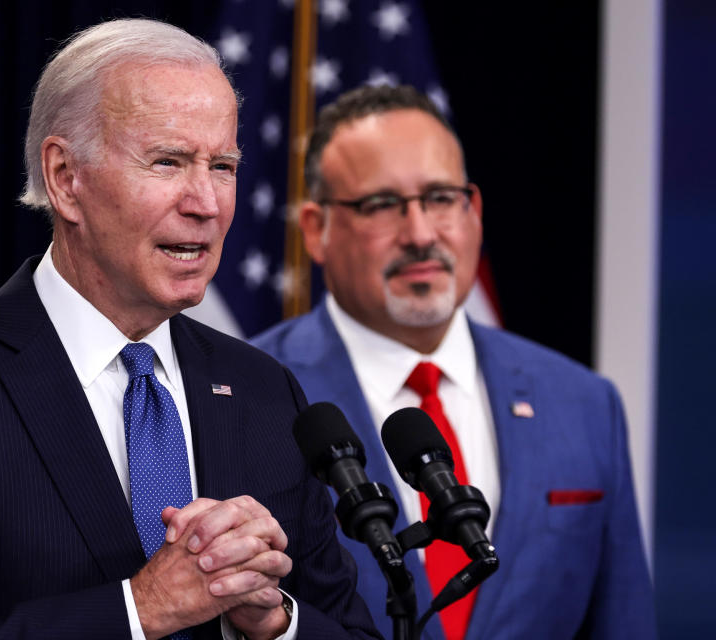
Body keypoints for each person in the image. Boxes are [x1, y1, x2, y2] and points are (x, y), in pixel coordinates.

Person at [0, 19, 380, 640]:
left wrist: (272, 620)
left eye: (222, 165)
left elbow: (351, 630)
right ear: (65, 178)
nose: (205, 202)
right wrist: (140, 611)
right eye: (167, 162)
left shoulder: (262, 389)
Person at [252, 85, 656, 640]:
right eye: (383, 205)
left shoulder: (583, 402)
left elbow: (623, 623)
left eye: (441, 198)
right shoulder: (248, 394)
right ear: (317, 230)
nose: (421, 235)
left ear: (475, 212)